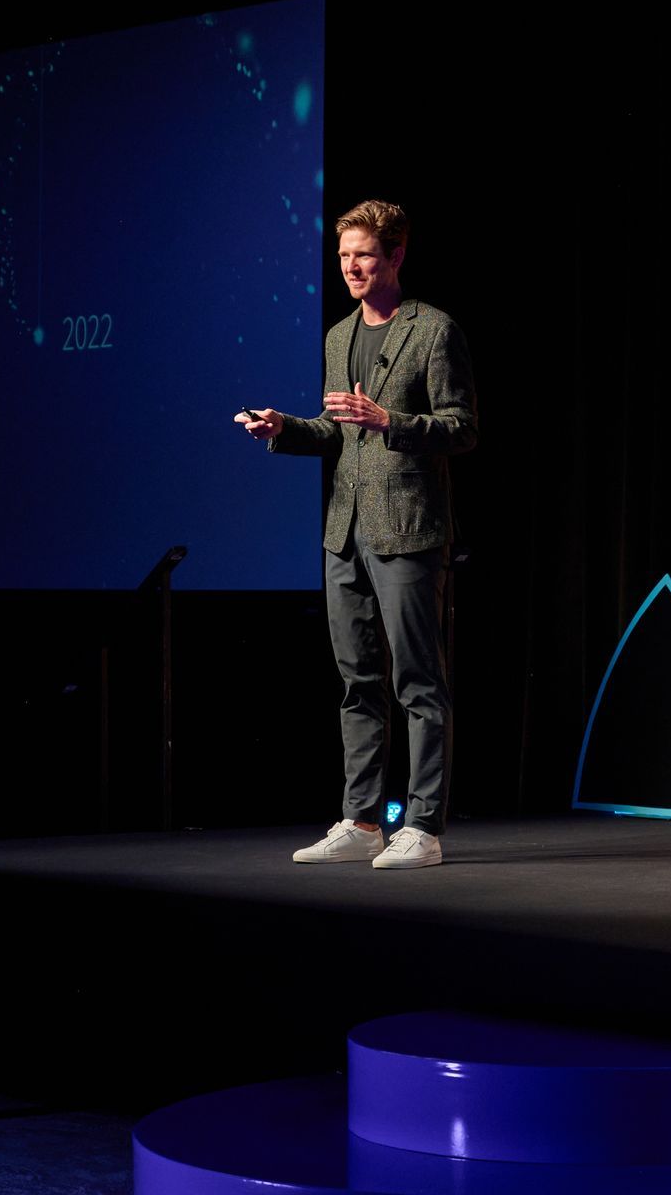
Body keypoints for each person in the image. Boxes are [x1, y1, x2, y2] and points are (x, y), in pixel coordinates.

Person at [237, 199, 477, 869]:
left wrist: (389, 420)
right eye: (344, 257)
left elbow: (462, 427)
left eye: (364, 255)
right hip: (344, 529)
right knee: (357, 680)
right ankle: (362, 821)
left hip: (407, 527)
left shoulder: (433, 331)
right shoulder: (339, 336)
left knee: (419, 682)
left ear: (396, 255)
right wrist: (286, 428)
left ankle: (424, 826)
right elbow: (336, 432)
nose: (351, 267)